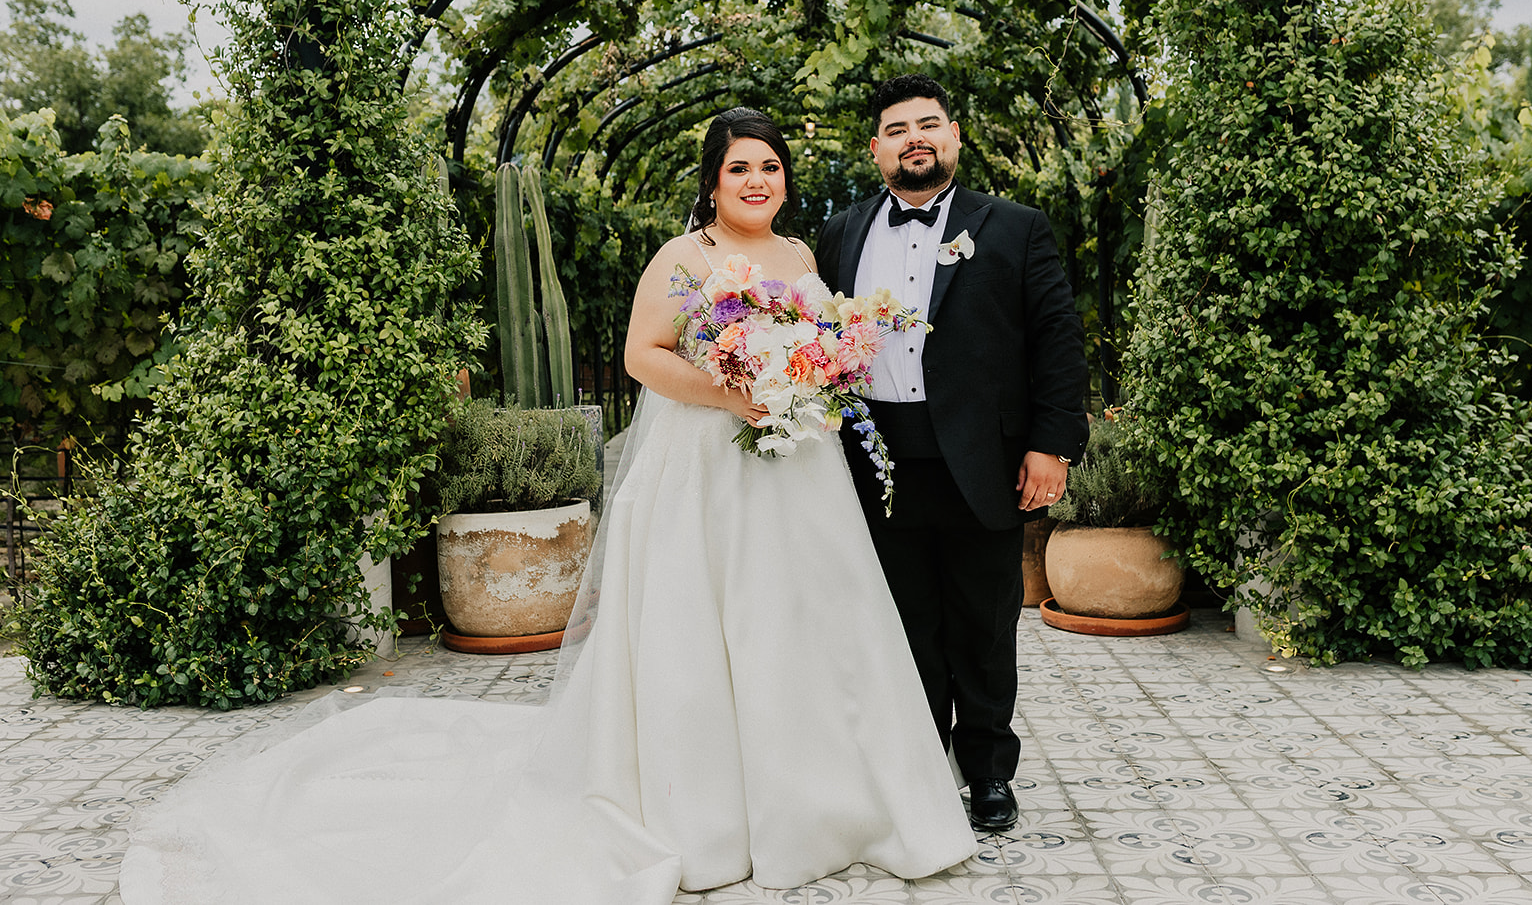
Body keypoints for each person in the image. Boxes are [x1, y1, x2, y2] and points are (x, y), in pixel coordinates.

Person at [119, 107, 976, 904]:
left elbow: (820, 349)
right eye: (739, 168)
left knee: (803, 623)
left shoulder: (800, 256)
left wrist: (808, 379)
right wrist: (735, 394)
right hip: (709, 470)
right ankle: (712, 811)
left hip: (798, 473)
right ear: (713, 182)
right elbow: (642, 356)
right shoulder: (684, 258)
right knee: (708, 629)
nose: (758, 181)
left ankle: (825, 797)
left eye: (771, 167)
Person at [816, 75, 1091, 834]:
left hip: (983, 462)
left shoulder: (1015, 227)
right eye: (897, 128)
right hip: (875, 462)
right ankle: (918, 771)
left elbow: (1058, 342)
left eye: (928, 124)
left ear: (954, 136)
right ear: (876, 149)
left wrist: (1051, 445)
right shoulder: (839, 234)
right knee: (904, 627)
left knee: (983, 624)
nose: (915, 138)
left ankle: (989, 772)